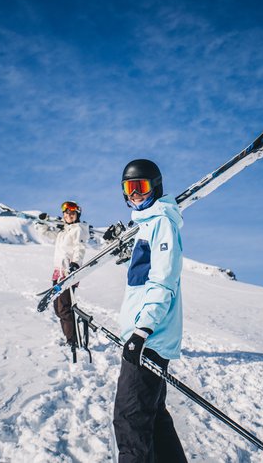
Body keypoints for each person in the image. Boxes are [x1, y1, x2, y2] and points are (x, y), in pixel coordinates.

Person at [112, 159, 188, 463]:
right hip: (149, 338)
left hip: (149, 339)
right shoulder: (147, 225)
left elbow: (163, 282)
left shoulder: (161, 223)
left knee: (130, 421)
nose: (134, 195)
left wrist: (141, 331)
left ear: (155, 187)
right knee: (153, 417)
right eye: (129, 189)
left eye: (140, 188)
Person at [36, 200, 89, 348]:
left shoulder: (78, 229)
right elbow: (46, 234)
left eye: (72, 213)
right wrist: (42, 223)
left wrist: (75, 263)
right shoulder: (63, 231)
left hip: (69, 272)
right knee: (58, 309)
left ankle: (73, 341)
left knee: (64, 308)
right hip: (58, 273)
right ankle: (70, 336)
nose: (69, 215)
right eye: (66, 213)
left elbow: (80, 247)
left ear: (77, 214)